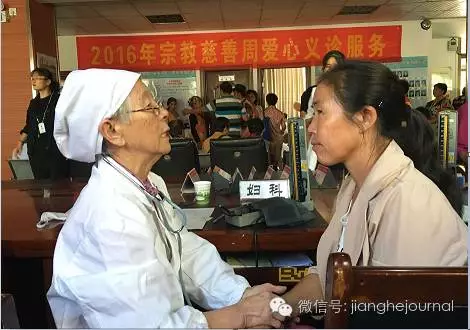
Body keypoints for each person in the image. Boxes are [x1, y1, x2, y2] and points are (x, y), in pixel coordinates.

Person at [47, 69, 287, 328]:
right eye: (149, 107)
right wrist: (240, 314)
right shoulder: (111, 216)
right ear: (112, 130)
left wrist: (239, 294)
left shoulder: (150, 184)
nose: (164, 113)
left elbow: (186, 254)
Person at [283, 61, 467, 316]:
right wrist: (276, 309)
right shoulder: (352, 188)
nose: (311, 128)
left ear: (365, 118)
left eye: (320, 112)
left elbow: (396, 316)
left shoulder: (409, 202)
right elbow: (327, 282)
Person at [12, 68, 69, 179]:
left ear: (48, 82)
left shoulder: (58, 100)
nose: (34, 81)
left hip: (54, 149)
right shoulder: (33, 103)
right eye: (32, 79)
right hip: (36, 151)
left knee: (58, 185)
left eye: (37, 78)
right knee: (40, 184)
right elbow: (29, 125)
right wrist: (20, 143)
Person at [300, 50, 346, 119]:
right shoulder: (312, 92)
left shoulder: (348, 92)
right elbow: (305, 118)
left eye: (335, 67)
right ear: (323, 69)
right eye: (328, 66)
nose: (331, 70)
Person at [264, 93, 286, 169]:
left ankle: (270, 173)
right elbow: (283, 127)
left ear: (267, 101)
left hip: (268, 137)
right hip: (278, 137)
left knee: (269, 157)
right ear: (276, 101)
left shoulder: (264, 112)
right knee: (278, 156)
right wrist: (282, 131)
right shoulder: (280, 113)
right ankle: (279, 172)